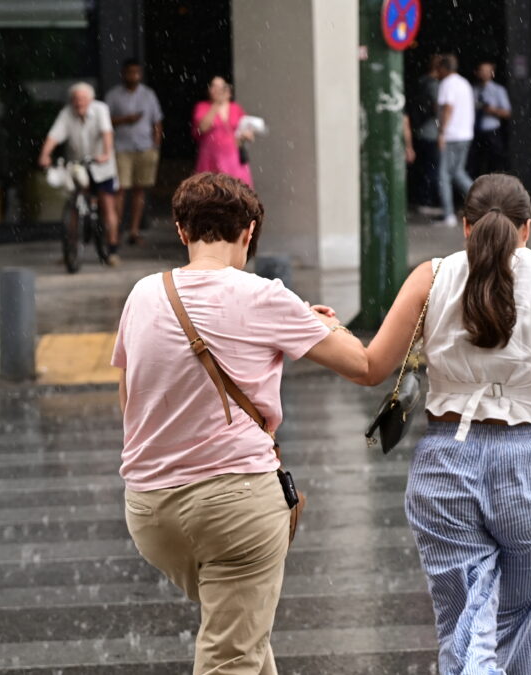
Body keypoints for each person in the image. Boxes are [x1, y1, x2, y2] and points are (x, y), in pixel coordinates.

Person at [112, 172, 367, 675]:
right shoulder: (265, 296)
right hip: (235, 508)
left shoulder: (142, 293)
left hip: (150, 511)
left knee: (241, 633)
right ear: (248, 232)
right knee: (232, 655)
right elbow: (362, 364)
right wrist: (326, 324)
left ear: (182, 231)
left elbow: (128, 398)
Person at [355, 173, 531, 673]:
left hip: (446, 465)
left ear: (466, 227)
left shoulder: (430, 278)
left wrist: (320, 327)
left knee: (465, 626)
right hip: (525, 464)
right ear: (526, 229)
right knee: (525, 620)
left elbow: (373, 364)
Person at [38, 82, 122, 265]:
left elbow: (107, 133)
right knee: (74, 205)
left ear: (91, 100)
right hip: (79, 165)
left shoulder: (100, 109)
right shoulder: (66, 113)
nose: (79, 102)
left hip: (101, 165)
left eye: (83, 99)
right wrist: (45, 154)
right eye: (76, 99)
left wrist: (106, 153)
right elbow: (54, 136)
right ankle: (71, 249)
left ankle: (112, 250)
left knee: (107, 204)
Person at [105, 58, 164, 246]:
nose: (134, 76)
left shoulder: (148, 95)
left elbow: (157, 121)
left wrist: (155, 145)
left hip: (145, 147)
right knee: (120, 189)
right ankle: (116, 230)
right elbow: (104, 121)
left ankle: (134, 231)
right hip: (121, 148)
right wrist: (125, 120)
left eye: (137, 72)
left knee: (140, 190)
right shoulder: (113, 95)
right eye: (130, 72)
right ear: (124, 73)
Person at [434, 54, 476, 227]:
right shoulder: (464, 83)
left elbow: (448, 108)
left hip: (451, 135)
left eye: (438, 68)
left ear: (444, 68)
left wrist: (441, 133)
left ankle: (448, 215)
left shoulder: (447, 84)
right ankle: (483, 201)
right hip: (465, 134)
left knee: (443, 175)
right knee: (457, 172)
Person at [193, 77, 255, 187]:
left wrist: (245, 135)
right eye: (214, 86)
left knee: (236, 189)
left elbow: (248, 130)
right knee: (211, 189)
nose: (218, 90)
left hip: (233, 159)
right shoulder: (202, 107)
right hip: (211, 158)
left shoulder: (236, 108)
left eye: (221, 87)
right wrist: (216, 104)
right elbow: (202, 128)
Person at [408, 55, 443, 215]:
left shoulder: (421, 81)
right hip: (432, 131)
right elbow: (437, 108)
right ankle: (427, 200)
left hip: (420, 129)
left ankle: (421, 198)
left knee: (424, 166)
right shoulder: (434, 85)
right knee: (433, 168)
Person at [470, 61, 511, 177]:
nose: (484, 74)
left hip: (492, 131)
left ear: (492, 73)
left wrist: (492, 110)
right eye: (482, 71)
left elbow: (507, 113)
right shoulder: (472, 89)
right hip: (475, 132)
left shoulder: (498, 90)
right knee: (475, 164)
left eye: (487, 71)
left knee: (495, 164)